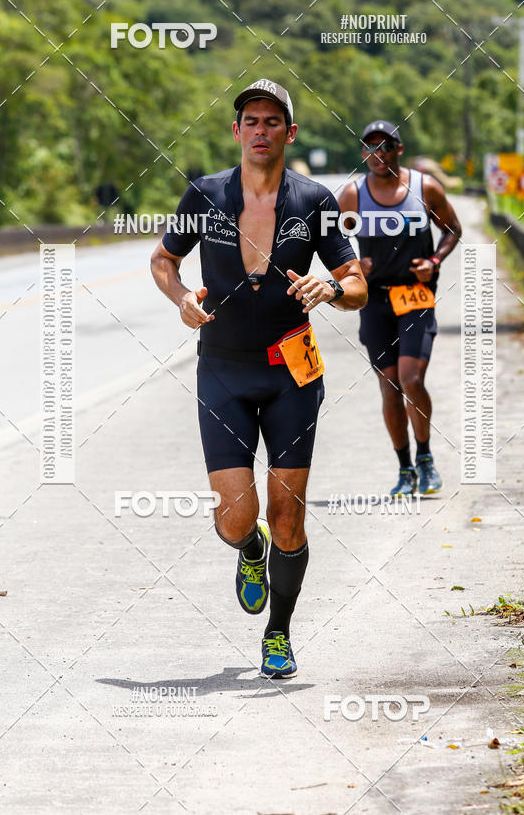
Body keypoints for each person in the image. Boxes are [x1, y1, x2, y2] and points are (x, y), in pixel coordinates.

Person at [151, 79, 367, 678]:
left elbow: (357, 283)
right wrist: (180, 298)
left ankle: (279, 633)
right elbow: (164, 260)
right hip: (222, 371)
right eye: (251, 120)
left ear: (289, 133)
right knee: (237, 517)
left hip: (291, 374)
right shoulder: (205, 194)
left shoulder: (315, 200)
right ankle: (251, 548)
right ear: (237, 130)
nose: (261, 131)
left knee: (289, 514)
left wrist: (333, 287)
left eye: (273, 121)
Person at [337, 120, 462, 496]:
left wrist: (434, 262)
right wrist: (352, 267)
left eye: (386, 147)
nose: (378, 155)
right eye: (371, 148)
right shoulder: (353, 194)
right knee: (389, 387)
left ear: (399, 149)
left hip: (414, 297)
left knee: (411, 379)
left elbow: (452, 229)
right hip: (374, 300)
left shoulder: (425, 187)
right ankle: (405, 468)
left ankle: (425, 458)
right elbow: (327, 238)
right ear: (363, 153)